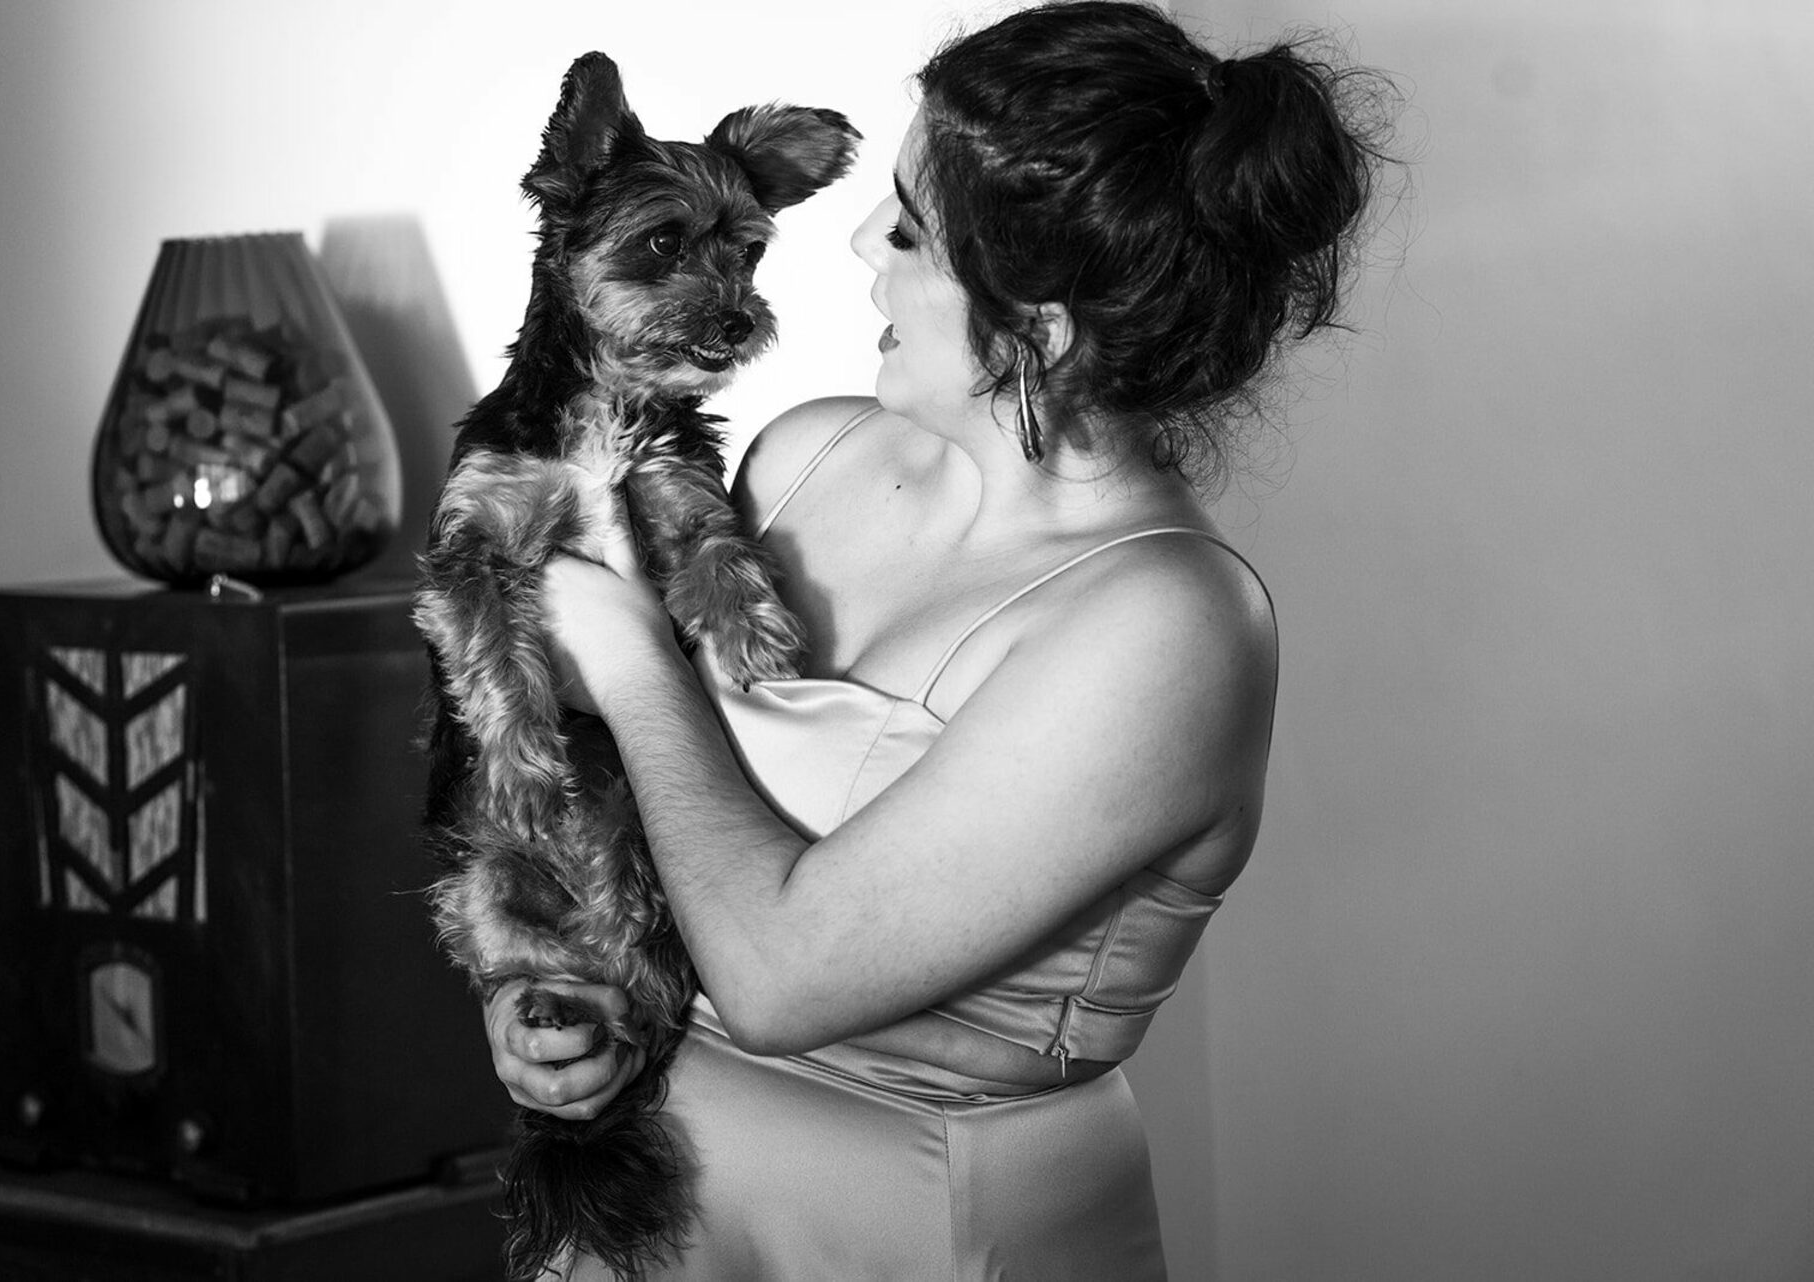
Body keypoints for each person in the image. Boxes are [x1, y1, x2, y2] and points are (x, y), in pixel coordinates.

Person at [488, 2, 1387, 1275]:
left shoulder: (1169, 626)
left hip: (925, 1226)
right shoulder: (806, 454)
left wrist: (633, 660)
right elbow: (649, 825)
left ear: (1041, 330)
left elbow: (780, 980)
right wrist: (565, 993)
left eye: (910, 229)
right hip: (651, 1200)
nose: (861, 238)